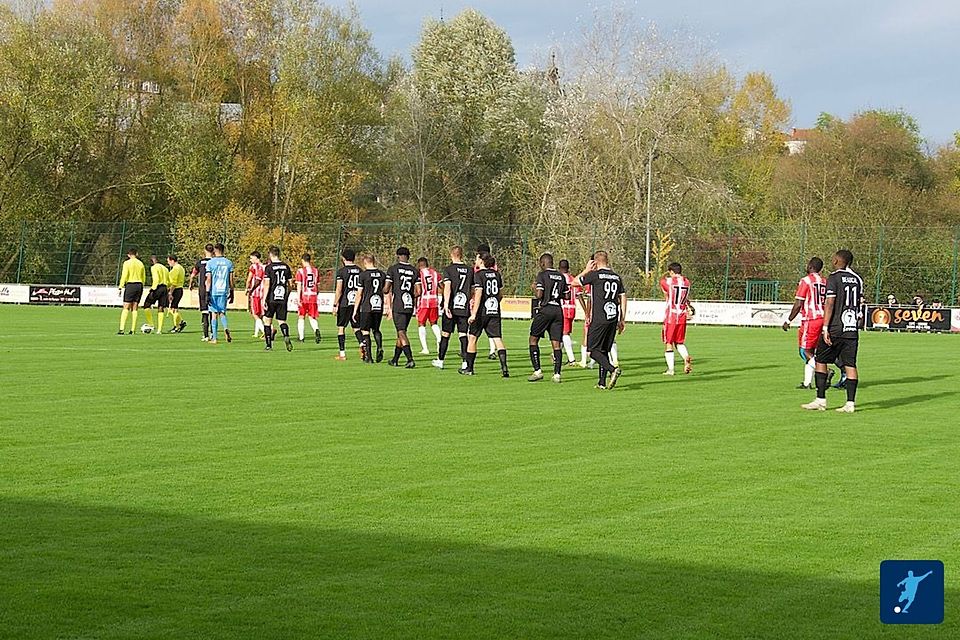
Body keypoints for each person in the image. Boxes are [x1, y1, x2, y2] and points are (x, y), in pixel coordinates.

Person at [803, 249, 864, 413]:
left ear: (837, 260)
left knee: (821, 360)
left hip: (835, 327)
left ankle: (820, 400)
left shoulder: (834, 278)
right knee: (850, 364)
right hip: (851, 328)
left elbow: (830, 303)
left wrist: (825, 327)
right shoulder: (857, 280)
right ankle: (850, 403)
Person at [574, 251, 625, 389]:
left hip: (599, 317)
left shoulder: (594, 275)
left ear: (595, 262)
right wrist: (622, 318)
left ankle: (612, 369)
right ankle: (601, 383)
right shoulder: (616, 277)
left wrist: (586, 270)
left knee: (593, 350)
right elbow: (623, 297)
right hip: (613, 317)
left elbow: (574, 283)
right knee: (604, 350)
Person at [461, 252, 509, 377]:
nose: (475, 261)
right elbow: (500, 294)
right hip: (494, 310)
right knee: (497, 338)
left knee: (472, 338)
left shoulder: (478, 275)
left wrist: (473, 314)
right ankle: (504, 368)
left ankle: (469, 369)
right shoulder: (497, 274)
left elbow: (478, 294)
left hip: (481, 312)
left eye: (477, 258)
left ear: (481, 261)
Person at [782, 257, 826, 389]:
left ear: (810, 266)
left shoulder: (806, 281)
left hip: (811, 319)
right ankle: (807, 382)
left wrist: (788, 320)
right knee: (813, 351)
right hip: (823, 318)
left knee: (804, 351)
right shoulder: (824, 281)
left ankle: (826, 371)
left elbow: (798, 303)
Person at [528, 253, 568, 383]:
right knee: (556, 343)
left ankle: (537, 371)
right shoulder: (561, 276)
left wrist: (534, 288)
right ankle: (557, 374)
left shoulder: (542, 275)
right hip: (558, 310)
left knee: (533, 339)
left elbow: (539, 295)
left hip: (545, 310)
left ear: (543, 263)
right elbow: (567, 296)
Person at [433, 246, 472, 370]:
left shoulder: (449, 269)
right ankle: (465, 362)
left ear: (451, 255)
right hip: (464, 306)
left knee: (446, 334)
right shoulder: (469, 270)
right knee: (463, 334)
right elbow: (472, 289)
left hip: (451, 306)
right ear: (462, 255)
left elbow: (448, 287)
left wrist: (446, 305)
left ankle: (441, 360)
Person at [385, 247, 421, 368]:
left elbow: (386, 289)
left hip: (399, 304)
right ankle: (395, 359)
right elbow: (419, 291)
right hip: (409, 304)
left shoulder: (393, 269)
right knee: (401, 332)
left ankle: (410, 359)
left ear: (398, 256)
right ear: (408, 256)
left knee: (401, 332)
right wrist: (410, 295)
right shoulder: (415, 271)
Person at [661, 263, 694, 376]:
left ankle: (671, 370)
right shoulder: (687, 282)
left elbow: (665, 290)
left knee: (669, 342)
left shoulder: (667, 281)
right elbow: (685, 299)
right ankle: (686, 357)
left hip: (671, 316)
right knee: (679, 342)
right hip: (682, 316)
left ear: (671, 271)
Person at [353, 254, 386, 363]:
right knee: (376, 329)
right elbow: (386, 291)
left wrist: (355, 310)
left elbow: (359, 294)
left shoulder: (363, 275)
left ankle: (369, 357)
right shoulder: (382, 274)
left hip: (367, 307)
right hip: (378, 306)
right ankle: (380, 346)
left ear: (365, 262)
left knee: (365, 331)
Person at [332, 248, 362, 361]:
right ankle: (362, 344)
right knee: (356, 327)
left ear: (343, 259)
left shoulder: (341, 272)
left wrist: (335, 305)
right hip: (356, 304)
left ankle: (342, 354)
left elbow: (339, 290)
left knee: (341, 328)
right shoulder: (360, 271)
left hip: (344, 303)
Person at [262, 246, 293, 352]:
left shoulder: (269, 267)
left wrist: (264, 299)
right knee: (282, 321)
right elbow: (290, 284)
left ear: (270, 255)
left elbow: (267, 284)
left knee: (267, 320)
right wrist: (287, 295)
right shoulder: (286, 267)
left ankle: (268, 345)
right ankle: (286, 335)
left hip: (271, 297)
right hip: (282, 297)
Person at [204, 243, 234, 344]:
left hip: (214, 291)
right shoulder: (229, 263)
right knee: (222, 313)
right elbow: (231, 279)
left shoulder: (211, 263)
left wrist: (207, 293)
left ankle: (215, 338)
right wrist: (232, 291)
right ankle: (225, 327)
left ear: (215, 251)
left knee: (213, 314)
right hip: (224, 291)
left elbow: (209, 279)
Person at [476, 243, 499, 361]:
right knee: (493, 331)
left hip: (482, 302)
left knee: (475, 330)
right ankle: (492, 350)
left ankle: (469, 351)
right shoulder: (494, 266)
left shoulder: (480, 267)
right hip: (493, 302)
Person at [416, 257, 442, 354]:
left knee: (421, 324)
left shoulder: (419, 274)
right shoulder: (435, 273)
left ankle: (425, 348)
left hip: (424, 301)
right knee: (434, 323)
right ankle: (439, 340)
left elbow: (419, 290)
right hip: (434, 300)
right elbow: (442, 286)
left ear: (420, 265)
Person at [188, 244, 214, 341]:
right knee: (213, 312)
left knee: (204, 312)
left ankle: (205, 335)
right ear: (213, 251)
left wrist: (191, 284)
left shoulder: (200, 262)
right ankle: (212, 333)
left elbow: (193, 274)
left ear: (204, 250)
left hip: (202, 289)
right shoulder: (215, 262)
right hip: (213, 289)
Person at [117, 247, 145, 335]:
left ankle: (122, 329)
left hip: (131, 284)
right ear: (136, 254)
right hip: (139, 285)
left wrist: (120, 286)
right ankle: (132, 330)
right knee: (135, 307)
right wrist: (142, 285)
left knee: (126, 306)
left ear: (128, 255)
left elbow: (124, 275)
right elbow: (143, 276)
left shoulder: (127, 263)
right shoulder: (141, 263)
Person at [295, 253, 322, 344]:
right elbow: (317, 285)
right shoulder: (316, 271)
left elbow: (299, 285)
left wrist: (298, 298)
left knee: (301, 317)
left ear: (303, 260)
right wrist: (316, 294)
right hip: (313, 296)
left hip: (304, 296)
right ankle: (316, 329)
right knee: (312, 317)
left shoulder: (300, 271)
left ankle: (301, 337)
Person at [558, 259, 580, 366]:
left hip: (563, 308)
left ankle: (571, 359)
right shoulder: (573, 278)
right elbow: (579, 295)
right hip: (572, 308)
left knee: (564, 333)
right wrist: (585, 310)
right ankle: (555, 353)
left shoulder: (559, 278)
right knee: (564, 333)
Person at [141, 255, 170, 334]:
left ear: (151, 261)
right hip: (165, 288)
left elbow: (156, 279)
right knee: (161, 307)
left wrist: (152, 289)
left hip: (157, 288)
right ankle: (159, 330)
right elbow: (169, 280)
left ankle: (151, 324)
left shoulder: (154, 268)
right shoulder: (165, 268)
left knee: (146, 304)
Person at [246, 251, 265, 339]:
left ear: (255, 257)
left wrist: (248, 289)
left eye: (251, 258)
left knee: (254, 314)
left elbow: (250, 279)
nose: (250, 260)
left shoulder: (254, 267)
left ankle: (266, 331)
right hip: (263, 293)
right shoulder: (265, 267)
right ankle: (257, 333)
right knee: (261, 314)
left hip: (255, 293)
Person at [166, 255, 187, 333]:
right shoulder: (181, 268)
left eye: (168, 261)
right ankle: (181, 322)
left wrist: (170, 292)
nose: (168, 263)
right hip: (179, 289)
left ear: (172, 260)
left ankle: (177, 326)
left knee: (173, 309)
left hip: (176, 289)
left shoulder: (176, 269)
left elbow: (174, 283)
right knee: (174, 308)